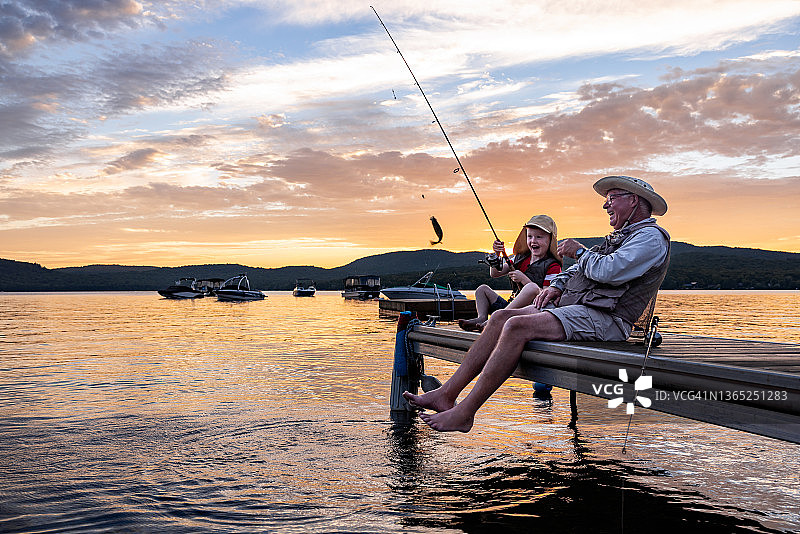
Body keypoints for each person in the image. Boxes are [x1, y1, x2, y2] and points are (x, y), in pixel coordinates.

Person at [404, 175, 670, 432]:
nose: (605, 205)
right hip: (580, 309)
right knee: (500, 318)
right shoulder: (623, 236)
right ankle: (447, 394)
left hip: (609, 319)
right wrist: (556, 286)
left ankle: (465, 413)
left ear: (633, 200)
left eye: (611, 198)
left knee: (517, 326)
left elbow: (610, 271)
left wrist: (579, 251)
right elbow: (577, 270)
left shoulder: (651, 237)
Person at [458, 215, 562, 332]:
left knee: (531, 287)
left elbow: (547, 296)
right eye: (529, 236)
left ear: (550, 240)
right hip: (510, 308)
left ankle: (496, 320)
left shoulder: (553, 266)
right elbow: (495, 273)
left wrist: (523, 279)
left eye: (539, 237)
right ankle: (482, 318)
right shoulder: (520, 259)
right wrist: (497, 254)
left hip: (530, 311)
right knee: (482, 289)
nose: (533, 241)